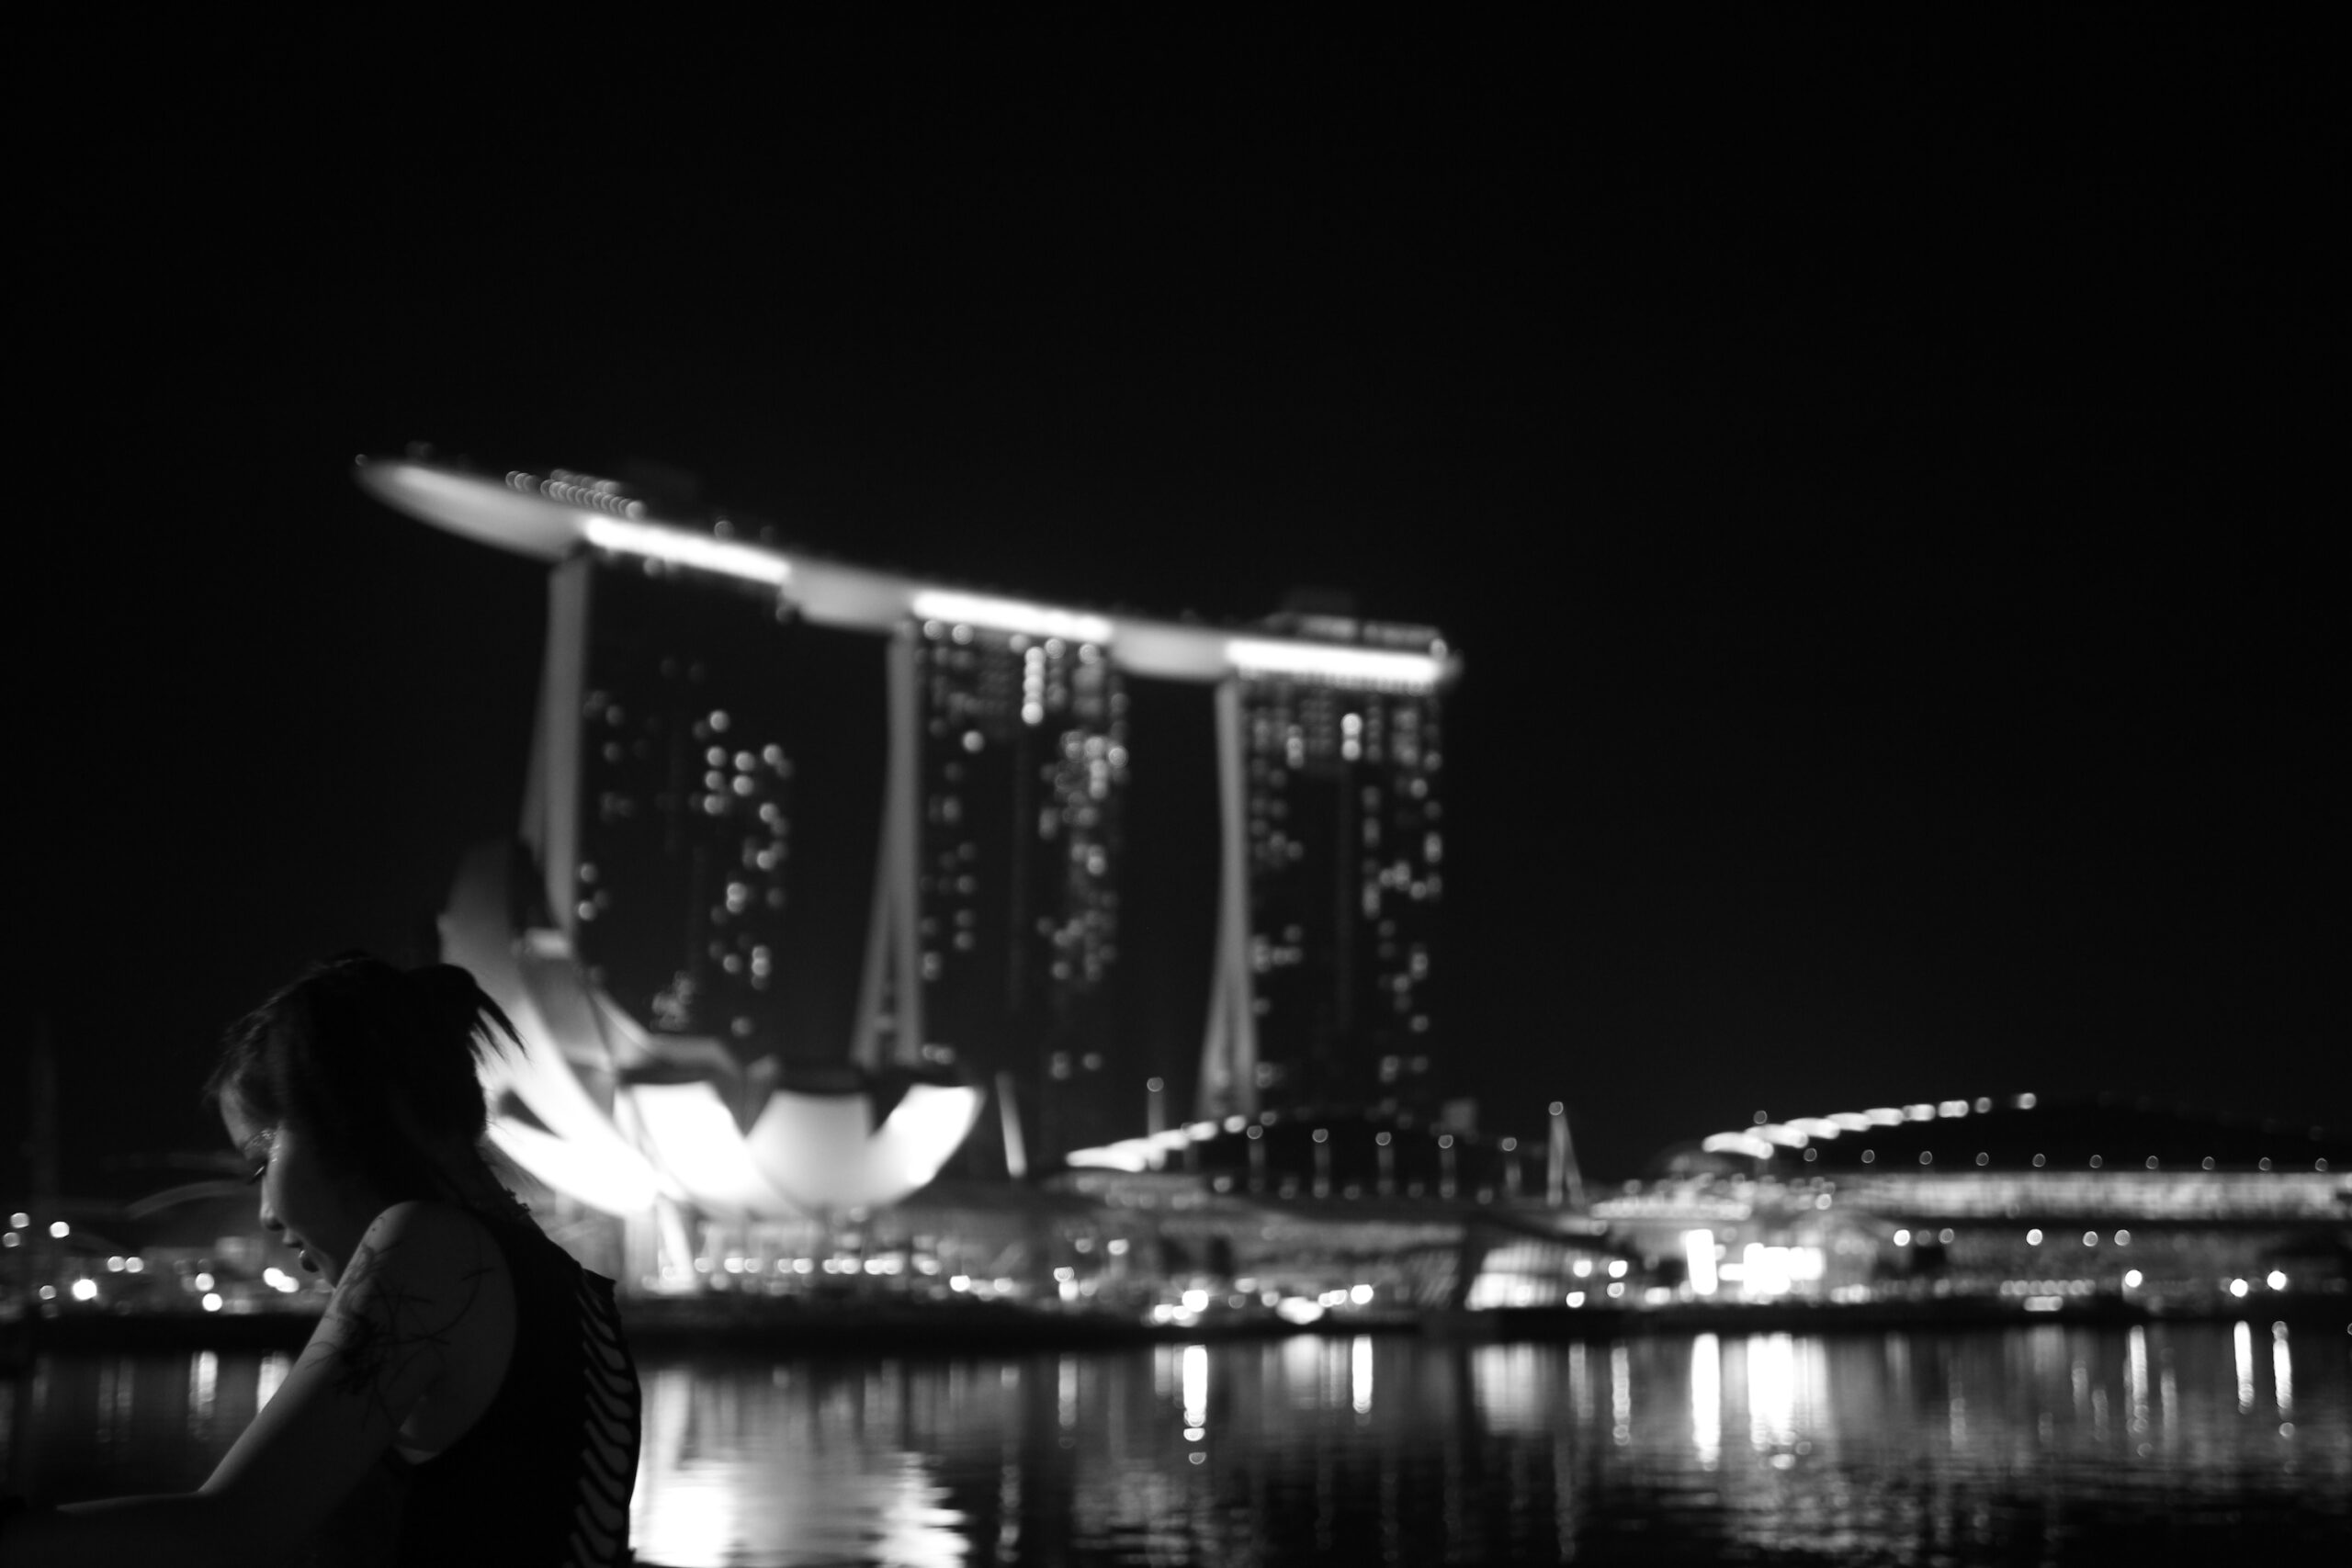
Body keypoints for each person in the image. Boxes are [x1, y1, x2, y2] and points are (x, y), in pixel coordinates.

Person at [0, 955, 640, 1566]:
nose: (265, 1214)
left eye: (261, 1162)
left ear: (350, 1118)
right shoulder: (563, 1285)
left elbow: (231, 1534)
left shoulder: (429, 1248)